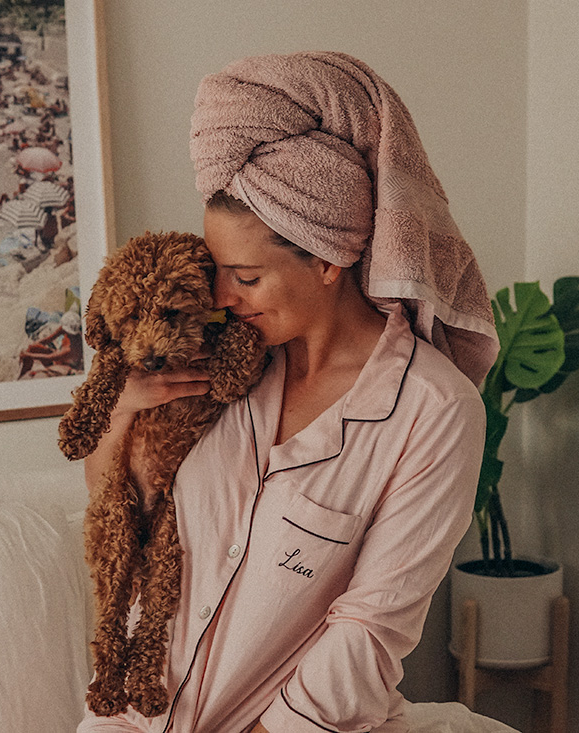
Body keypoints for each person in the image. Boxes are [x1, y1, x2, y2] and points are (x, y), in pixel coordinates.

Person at [76, 52, 501, 733]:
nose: (219, 298)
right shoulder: (215, 364)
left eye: (245, 276)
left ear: (329, 258)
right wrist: (124, 410)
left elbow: (367, 631)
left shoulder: (433, 411)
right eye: (215, 272)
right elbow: (123, 506)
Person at [17, 308, 83, 378]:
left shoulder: (69, 349)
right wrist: (34, 345)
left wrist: (28, 355)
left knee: (30, 355)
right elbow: (49, 339)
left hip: (64, 365)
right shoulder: (64, 329)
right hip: (57, 357)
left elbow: (49, 357)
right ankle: (22, 375)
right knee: (31, 348)